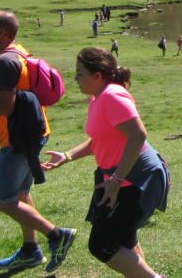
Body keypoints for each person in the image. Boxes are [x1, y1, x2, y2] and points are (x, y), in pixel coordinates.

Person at [42, 47, 169, 278]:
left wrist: (117, 180)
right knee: (124, 240)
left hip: (136, 178)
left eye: (80, 73)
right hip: (117, 178)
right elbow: (99, 141)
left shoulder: (112, 96)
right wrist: (67, 156)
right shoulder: (98, 98)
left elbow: (138, 135)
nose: (76, 79)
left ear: (97, 75)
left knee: (101, 245)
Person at [0, 10, 76, 272]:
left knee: (3, 200)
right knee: (21, 194)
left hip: (16, 138)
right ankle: (30, 251)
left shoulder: (5, 62)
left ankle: (57, 235)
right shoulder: (18, 53)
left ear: (3, 33)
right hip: (34, 131)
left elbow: (5, 107)